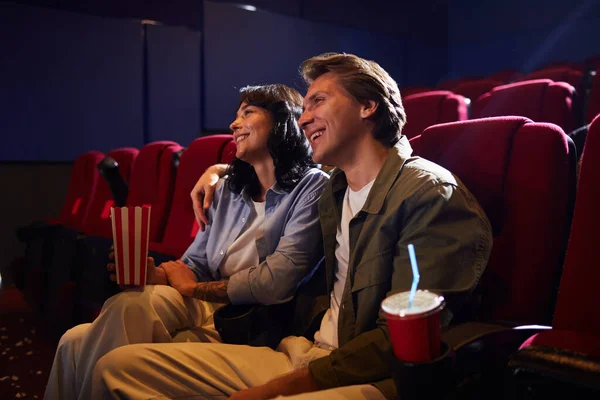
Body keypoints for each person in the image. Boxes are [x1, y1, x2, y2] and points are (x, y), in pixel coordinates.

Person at [90, 53, 493, 399]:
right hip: (304, 349)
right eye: (303, 109)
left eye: (318, 101)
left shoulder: (428, 196)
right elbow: (275, 177)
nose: (304, 119)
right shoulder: (334, 189)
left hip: (366, 375)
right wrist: (221, 171)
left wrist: (284, 385)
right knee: (119, 366)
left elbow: (397, 341)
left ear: (368, 105)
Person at [44, 84, 329, 400]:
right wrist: (159, 276)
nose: (234, 124)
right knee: (123, 305)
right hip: (205, 302)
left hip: (253, 318)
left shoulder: (312, 187)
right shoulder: (227, 191)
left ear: (281, 123)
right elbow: (193, 264)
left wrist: (190, 288)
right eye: (236, 115)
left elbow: (276, 283)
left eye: (247, 113)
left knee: (78, 342)